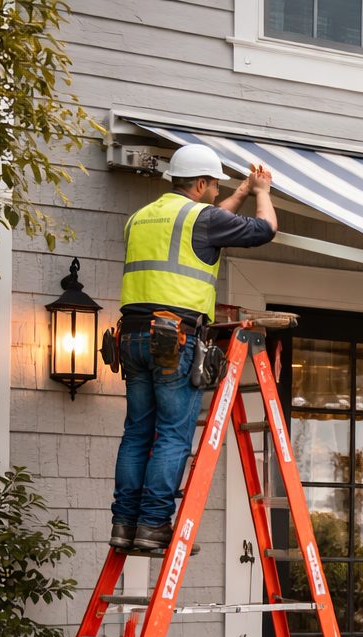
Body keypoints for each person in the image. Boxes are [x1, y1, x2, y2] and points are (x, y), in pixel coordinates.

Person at [109, 143, 278, 551]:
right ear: (201, 183)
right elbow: (264, 229)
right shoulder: (202, 219)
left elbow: (206, 220)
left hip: (130, 336)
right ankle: (153, 526)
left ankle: (125, 526)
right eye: (214, 186)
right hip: (174, 337)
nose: (219, 192)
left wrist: (236, 191)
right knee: (171, 434)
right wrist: (262, 192)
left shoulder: (140, 219)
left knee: (136, 434)